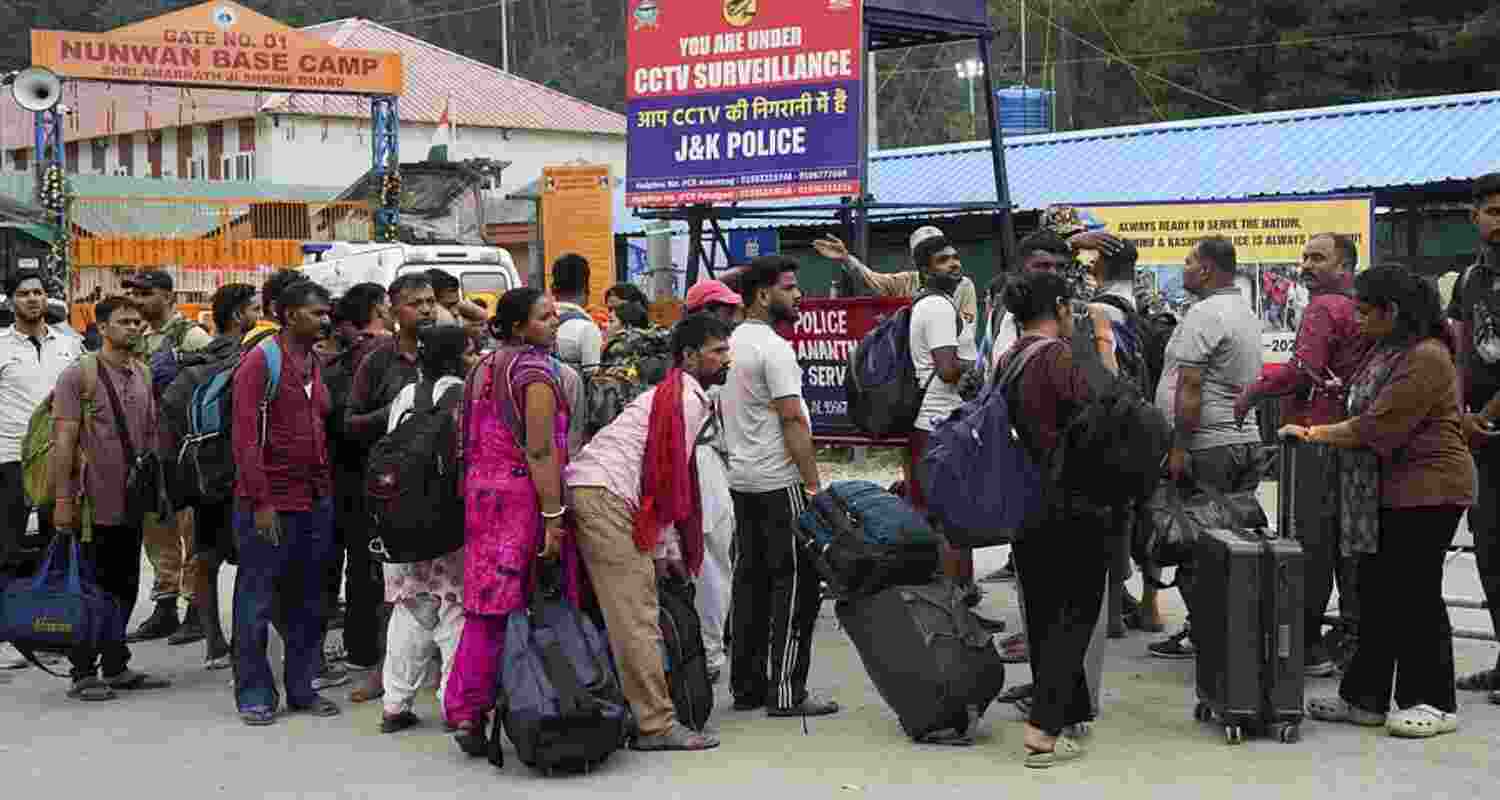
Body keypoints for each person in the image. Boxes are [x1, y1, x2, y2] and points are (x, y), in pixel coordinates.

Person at [1285, 264, 1474, 739]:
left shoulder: (1427, 356)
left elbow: (1379, 427)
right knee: (1376, 595)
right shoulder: (1386, 350)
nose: (1359, 320)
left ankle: (1432, 700)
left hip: (1428, 491)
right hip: (1384, 493)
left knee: (1414, 595)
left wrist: (1314, 433)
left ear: (1392, 312)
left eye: (1366, 312)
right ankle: (1364, 698)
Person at [566, 313, 731, 751]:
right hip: (606, 497)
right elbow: (665, 478)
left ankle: (630, 710)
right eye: (717, 351)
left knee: (627, 609)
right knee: (635, 616)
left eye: (726, 349)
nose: (725, 358)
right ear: (690, 356)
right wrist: (666, 545)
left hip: (598, 489)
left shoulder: (678, 392)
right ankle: (655, 725)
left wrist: (664, 545)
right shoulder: (687, 400)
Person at [444, 287, 582, 756]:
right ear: (520, 326)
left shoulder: (483, 365)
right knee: (524, 603)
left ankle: (466, 708)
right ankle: (527, 700)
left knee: (485, 604)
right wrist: (553, 515)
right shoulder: (536, 372)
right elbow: (541, 450)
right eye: (545, 318)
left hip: (482, 494)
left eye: (555, 315)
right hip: (521, 498)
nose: (554, 323)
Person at [1236, 233, 1372, 676]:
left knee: (1308, 543)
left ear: (1345, 266)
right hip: (1356, 441)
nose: (1307, 265)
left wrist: (1252, 393)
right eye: (1305, 257)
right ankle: (1354, 640)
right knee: (1350, 546)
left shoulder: (1324, 307)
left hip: (1315, 439)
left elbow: (1303, 371)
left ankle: (1307, 642)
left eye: (1319, 258)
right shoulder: (1361, 310)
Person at [996, 269, 1108, 767]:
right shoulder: (1059, 357)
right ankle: (1043, 732)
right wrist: (1101, 341)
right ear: (1061, 307)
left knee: (1044, 612)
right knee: (1076, 613)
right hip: (1071, 501)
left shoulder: (1008, 357)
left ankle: (1069, 707)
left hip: (1026, 500)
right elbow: (1104, 409)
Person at [723, 256, 836, 717]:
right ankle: (787, 693)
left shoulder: (729, 343)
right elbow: (793, 418)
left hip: (741, 483)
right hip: (779, 482)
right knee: (796, 588)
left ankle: (746, 687)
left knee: (749, 585)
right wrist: (813, 488)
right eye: (789, 288)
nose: (797, 295)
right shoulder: (774, 349)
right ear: (763, 295)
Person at [50, 296, 173, 701]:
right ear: (102, 328)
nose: (134, 328)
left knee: (125, 585)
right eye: (124, 322)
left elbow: (150, 439)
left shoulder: (141, 371)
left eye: (138, 322)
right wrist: (63, 502)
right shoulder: (78, 375)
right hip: (90, 505)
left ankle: (116, 665)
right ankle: (83, 672)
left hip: (131, 503)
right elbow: (63, 442)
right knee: (91, 588)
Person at [1148, 236, 1265, 660]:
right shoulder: (1245, 312)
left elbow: (1190, 388)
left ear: (1208, 270)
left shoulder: (1205, 314)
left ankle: (1209, 636)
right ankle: (1228, 632)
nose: (1184, 269)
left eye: (1189, 262)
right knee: (1232, 544)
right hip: (1242, 441)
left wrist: (1179, 447)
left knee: (1195, 545)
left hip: (1208, 448)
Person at [230, 280, 339, 726]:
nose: (325, 320)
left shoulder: (315, 361)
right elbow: (245, 439)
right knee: (255, 601)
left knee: (309, 601)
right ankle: (254, 693)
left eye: (326, 312)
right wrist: (260, 501)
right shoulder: (261, 362)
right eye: (316, 313)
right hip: (269, 502)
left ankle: (301, 689)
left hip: (314, 500)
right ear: (289, 315)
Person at [342, 273, 438, 703]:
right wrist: (400, 412)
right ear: (393, 311)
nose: (426, 309)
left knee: (443, 583)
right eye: (415, 303)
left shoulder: (450, 351)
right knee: (384, 584)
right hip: (389, 493)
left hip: (440, 488)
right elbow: (350, 422)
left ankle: (444, 672)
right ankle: (381, 670)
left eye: (431, 301)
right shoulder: (377, 360)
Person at [378, 323, 470, 734]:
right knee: (453, 611)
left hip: (401, 519)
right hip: (449, 520)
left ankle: (395, 705)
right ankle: (454, 706)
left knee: (410, 610)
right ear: (457, 357)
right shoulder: (464, 396)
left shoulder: (404, 397)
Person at [171, 283, 261, 671]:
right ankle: (248, 644)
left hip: (206, 477)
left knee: (207, 561)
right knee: (256, 562)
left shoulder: (194, 363)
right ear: (240, 315)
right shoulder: (253, 358)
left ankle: (214, 644)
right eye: (254, 308)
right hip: (245, 475)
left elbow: (172, 414)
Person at [122, 269, 213, 646]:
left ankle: (196, 608)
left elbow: (210, 385)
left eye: (145, 294)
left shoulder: (191, 336)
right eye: (135, 295)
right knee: (156, 529)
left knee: (191, 528)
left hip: (184, 447)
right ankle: (164, 606)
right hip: (148, 446)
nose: (139, 301)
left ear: (167, 295)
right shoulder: (138, 337)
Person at [0, 270, 82, 670]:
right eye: (24, 294)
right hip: (9, 457)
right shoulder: (0, 346)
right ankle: (6, 638)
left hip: (59, 459)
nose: (32, 299)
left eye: (38, 293)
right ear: (10, 300)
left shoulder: (70, 346)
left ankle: (48, 630)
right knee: (9, 546)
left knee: (56, 542)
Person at [319, 282, 392, 688]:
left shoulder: (332, 364)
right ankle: (363, 649)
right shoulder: (386, 356)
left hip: (337, 473)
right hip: (374, 475)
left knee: (335, 562)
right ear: (381, 308)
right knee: (368, 567)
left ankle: (331, 647)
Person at [1451, 172, 1500, 702]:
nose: (1499, 223)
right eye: (1493, 213)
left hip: (1488, 424)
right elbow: (1461, 349)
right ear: (1476, 217)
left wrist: (1482, 413)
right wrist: (1461, 412)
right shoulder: (1468, 281)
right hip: (1479, 439)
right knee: (1489, 549)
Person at [681, 279, 744, 677]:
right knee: (710, 563)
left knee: (710, 562)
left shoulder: (705, 373)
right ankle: (709, 651)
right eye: (722, 311)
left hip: (713, 463)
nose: (729, 320)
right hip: (702, 465)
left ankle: (707, 646)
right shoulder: (692, 383)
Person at [553, 253, 603, 374]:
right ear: (587, 289)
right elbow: (594, 381)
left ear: (553, 288)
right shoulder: (587, 330)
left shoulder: (533, 324)